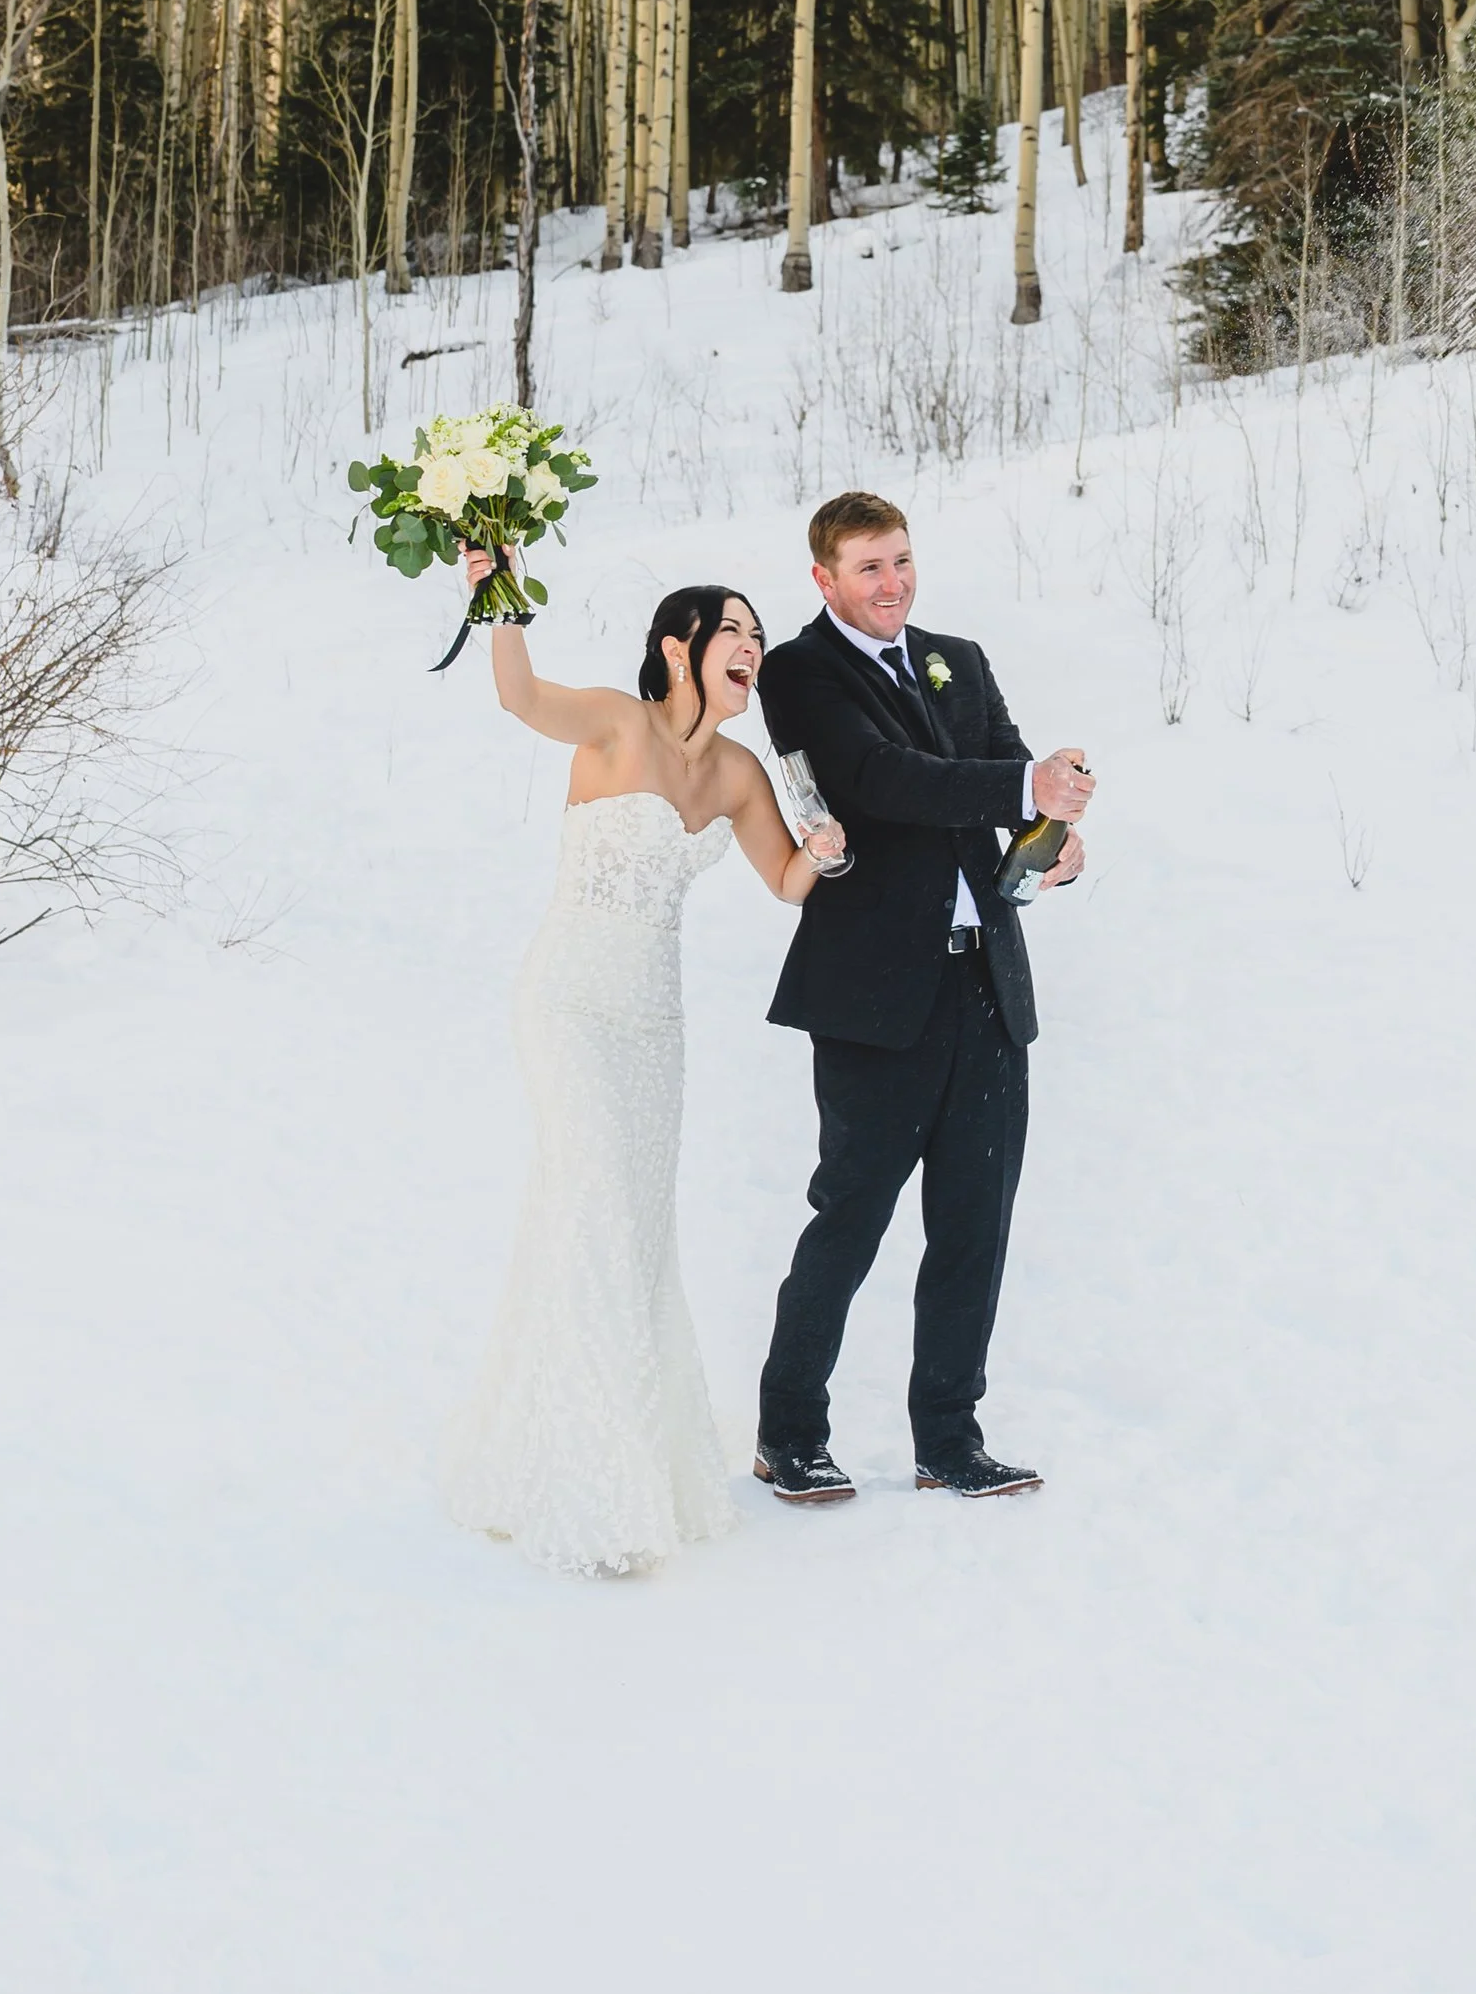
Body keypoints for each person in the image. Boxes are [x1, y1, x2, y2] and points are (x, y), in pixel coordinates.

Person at [443, 568, 842, 1577]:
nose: (750, 646)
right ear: (679, 646)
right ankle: (590, 1485)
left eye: (756, 633)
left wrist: (826, 853)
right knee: (596, 1205)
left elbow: (787, 880)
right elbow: (519, 697)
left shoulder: (744, 771)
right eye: (732, 630)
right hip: (570, 998)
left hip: (653, 1024)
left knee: (638, 1228)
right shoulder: (618, 723)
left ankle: (606, 1456)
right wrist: (497, 597)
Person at [749, 490, 1093, 1507]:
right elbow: (878, 778)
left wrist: (1056, 834)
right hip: (871, 996)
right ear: (824, 578)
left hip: (984, 980)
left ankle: (950, 1435)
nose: (890, 581)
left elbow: (1002, 767)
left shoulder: (961, 655)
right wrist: (1020, 786)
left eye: (899, 559)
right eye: (866, 566)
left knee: (972, 1221)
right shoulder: (800, 671)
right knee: (850, 1216)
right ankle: (788, 1433)